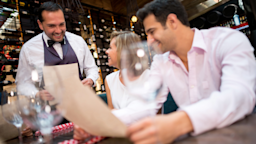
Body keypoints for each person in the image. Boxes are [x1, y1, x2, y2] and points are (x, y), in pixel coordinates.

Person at [127, 0, 256, 144]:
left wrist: (179, 122)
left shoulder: (227, 40)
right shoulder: (160, 60)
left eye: (152, 32)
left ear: (172, 21)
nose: (149, 41)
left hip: (237, 136)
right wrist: (105, 119)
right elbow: (146, 103)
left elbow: (240, 96)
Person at [73, 31, 167, 140]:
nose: (106, 51)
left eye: (110, 48)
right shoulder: (109, 79)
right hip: (119, 137)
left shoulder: (151, 77)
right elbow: (112, 116)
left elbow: (153, 117)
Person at [16, 2, 98, 98]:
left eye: (61, 24)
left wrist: (91, 79)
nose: (58, 31)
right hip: (48, 109)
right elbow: (22, 84)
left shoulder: (78, 41)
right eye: (52, 26)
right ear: (40, 24)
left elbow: (91, 68)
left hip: (80, 101)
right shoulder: (29, 49)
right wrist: (36, 94)